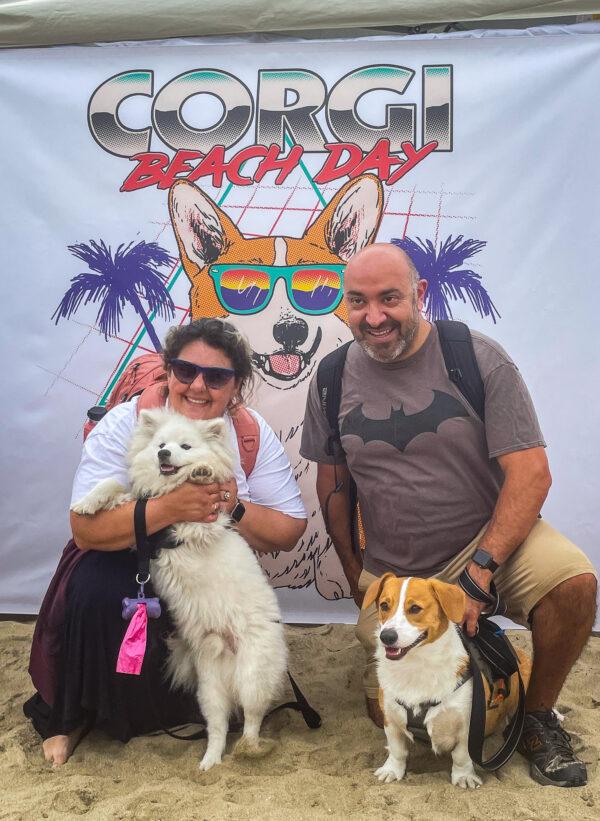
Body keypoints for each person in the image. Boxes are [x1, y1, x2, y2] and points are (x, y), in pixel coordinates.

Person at [300, 243, 597, 788]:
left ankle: (538, 716)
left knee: (573, 584)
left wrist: (482, 568)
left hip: (487, 540)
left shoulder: (476, 357)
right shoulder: (333, 375)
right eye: (358, 302)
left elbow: (532, 474)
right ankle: (481, 666)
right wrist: (352, 570)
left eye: (390, 298)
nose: (374, 317)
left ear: (420, 294)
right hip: (396, 563)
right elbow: (333, 484)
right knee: (399, 717)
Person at [25, 318, 307, 766]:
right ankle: (78, 714)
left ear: (235, 386)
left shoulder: (250, 434)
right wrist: (173, 508)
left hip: (206, 563)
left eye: (216, 377)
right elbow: (86, 529)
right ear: (169, 371)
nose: (198, 386)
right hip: (126, 552)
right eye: (184, 370)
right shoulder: (129, 423)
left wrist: (232, 504)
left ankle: (182, 710)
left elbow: (289, 531)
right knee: (96, 592)